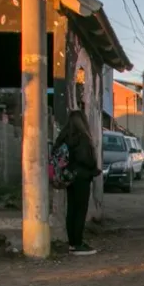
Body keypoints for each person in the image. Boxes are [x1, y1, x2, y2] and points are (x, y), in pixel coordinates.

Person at [54, 109, 101, 255]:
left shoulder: (63, 136)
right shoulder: (83, 137)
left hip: (69, 177)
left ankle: (72, 243)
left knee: (72, 209)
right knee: (81, 210)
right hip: (81, 177)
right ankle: (78, 244)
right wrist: (94, 169)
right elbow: (86, 159)